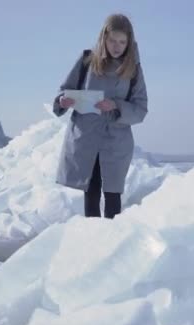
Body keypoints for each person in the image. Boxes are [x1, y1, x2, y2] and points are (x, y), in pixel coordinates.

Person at [52, 13, 148, 219]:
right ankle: (91, 243)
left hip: (116, 141)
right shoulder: (87, 61)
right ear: (104, 37)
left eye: (122, 42)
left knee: (113, 196)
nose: (117, 46)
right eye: (112, 40)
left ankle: (112, 245)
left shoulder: (134, 70)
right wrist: (62, 101)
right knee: (91, 192)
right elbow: (64, 91)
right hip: (87, 138)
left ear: (129, 43)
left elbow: (140, 109)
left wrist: (115, 105)